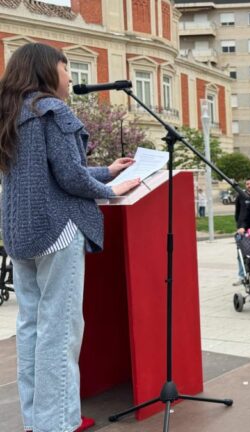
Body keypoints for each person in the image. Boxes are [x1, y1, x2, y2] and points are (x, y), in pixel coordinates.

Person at [0, 42, 141, 432]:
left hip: (21, 234)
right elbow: (69, 176)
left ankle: (36, 420)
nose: (70, 78)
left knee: (30, 328)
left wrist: (108, 171)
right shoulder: (53, 111)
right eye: (66, 69)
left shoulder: (10, 114)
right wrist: (113, 189)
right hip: (58, 233)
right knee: (60, 331)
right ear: (49, 71)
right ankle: (59, 424)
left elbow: (49, 174)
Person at [234, 178, 250, 283]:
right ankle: (242, 276)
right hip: (242, 230)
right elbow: (237, 212)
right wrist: (239, 225)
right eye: (247, 184)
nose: (249, 185)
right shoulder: (240, 196)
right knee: (240, 254)